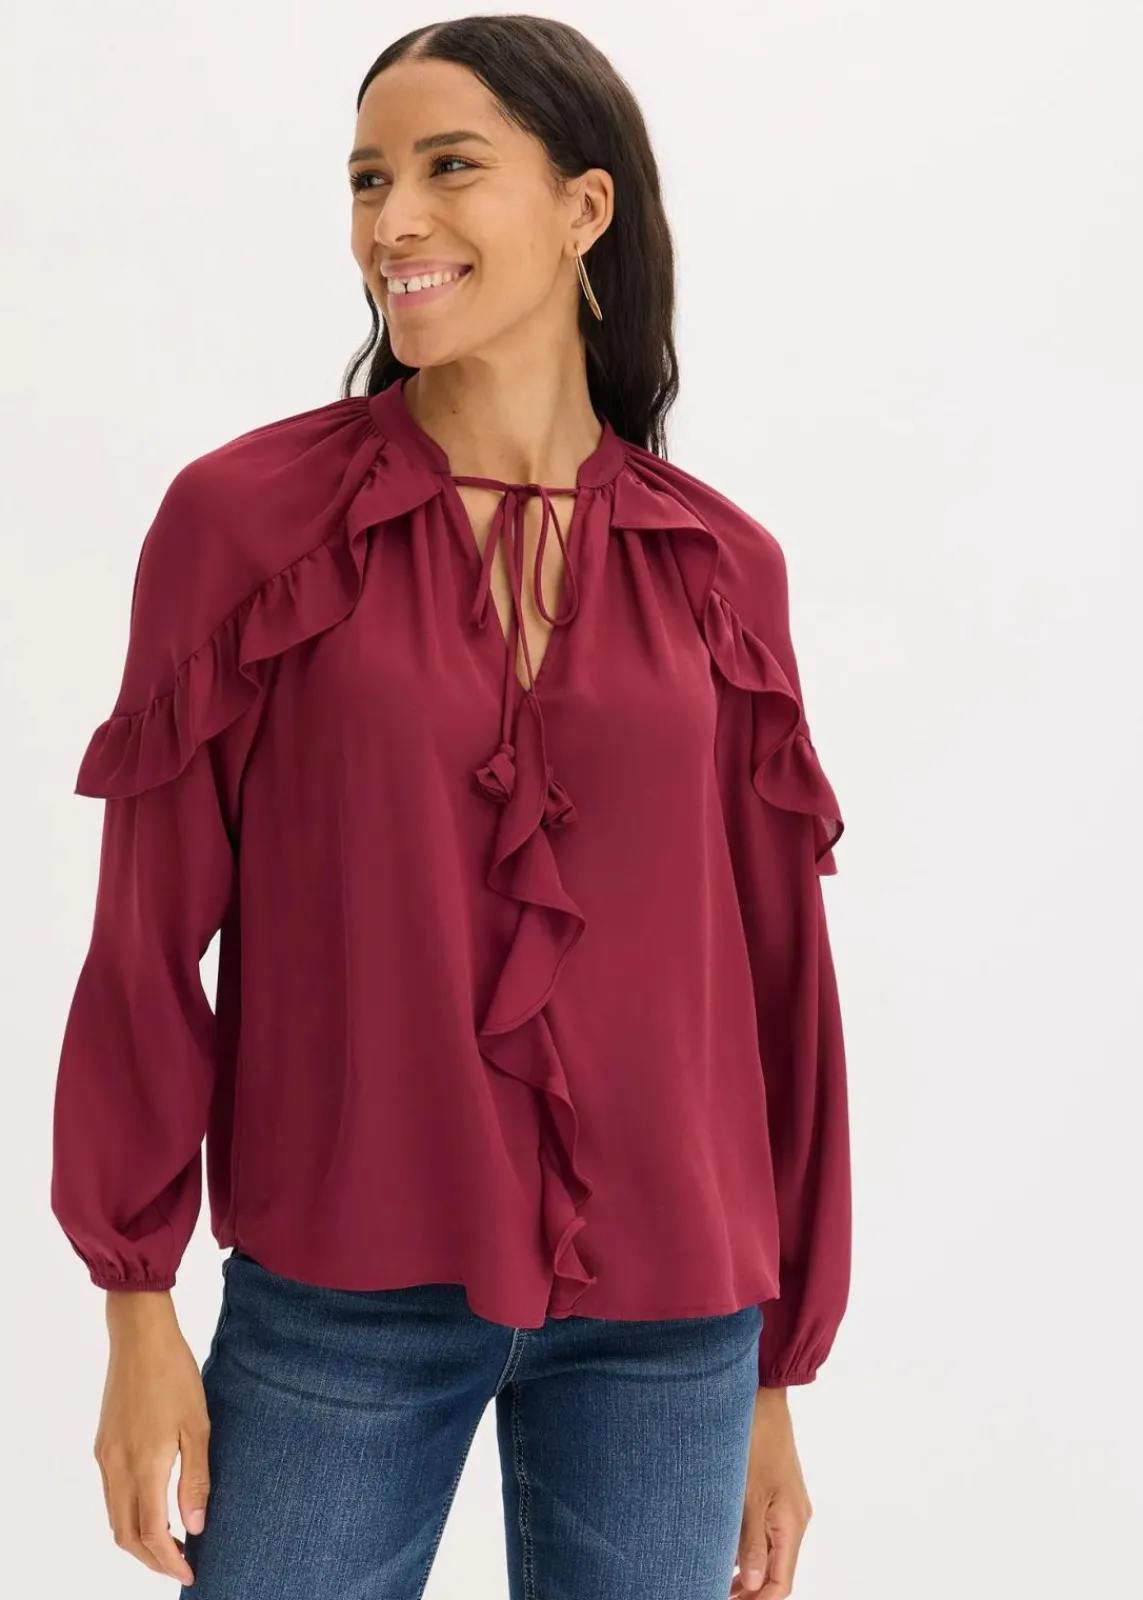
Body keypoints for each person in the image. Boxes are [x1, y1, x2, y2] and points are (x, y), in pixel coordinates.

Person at [50, 16, 852, 1600]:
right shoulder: (249, 525)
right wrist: (135, 1306)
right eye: (367, 179)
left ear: (583, 208)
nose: (390, 222)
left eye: (448, 168)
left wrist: (774, 1374)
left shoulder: (717, 567)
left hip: (674, 1321)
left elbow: (778, 985)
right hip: (342, 1299)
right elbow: (145, 935)